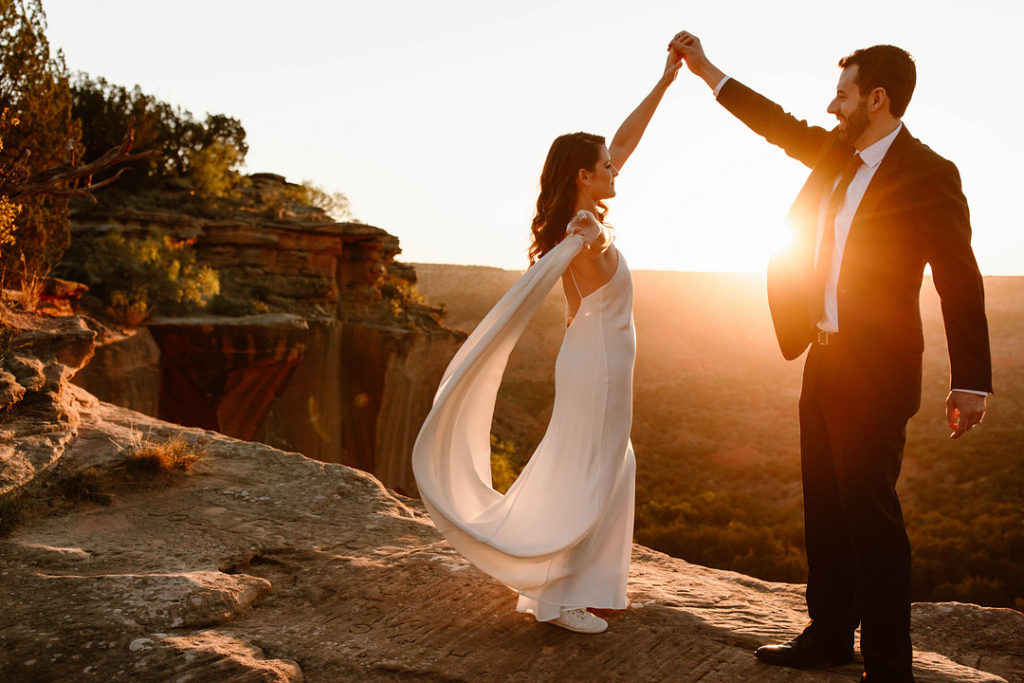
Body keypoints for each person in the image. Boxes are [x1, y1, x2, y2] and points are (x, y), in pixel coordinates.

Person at [670, 32, 992, 682]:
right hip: (822, 358)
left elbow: (959, 278)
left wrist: (972, 381)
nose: (829, 106)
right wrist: (706, 71)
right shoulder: (835, 156)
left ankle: (888, 663)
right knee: (823, 502)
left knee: (867, 510)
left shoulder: (930, 174)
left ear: (878, 98)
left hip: (878, 371)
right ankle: (829, 633)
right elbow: (774, 123)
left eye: (842, 94)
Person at [411, 48, 683, 634]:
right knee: (591, 473)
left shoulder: (588, 212)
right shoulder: (583, 228)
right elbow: (589, 243)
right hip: (598, 365)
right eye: (605, 166)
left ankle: (565, 589)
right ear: (584, 177)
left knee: (610, 468)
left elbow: (626, 141)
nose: (616, 169)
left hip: (592, 360)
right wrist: (594, 236)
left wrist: (665, 80)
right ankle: (556, 599)